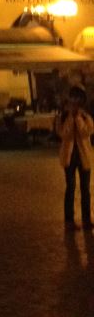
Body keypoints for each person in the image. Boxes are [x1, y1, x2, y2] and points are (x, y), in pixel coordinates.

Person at [55, 85, 94, 230]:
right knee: (70, 188)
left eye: (78, 98)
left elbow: (87, 132)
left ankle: (86, 219)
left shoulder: (86, 116)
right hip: (69, 157)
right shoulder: (63, 116)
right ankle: (69, 221)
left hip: (84, 157)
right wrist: (71, 118)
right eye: (73, 98)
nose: (75, 101)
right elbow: (63, 133)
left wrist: (78, 118)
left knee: (85, 189)